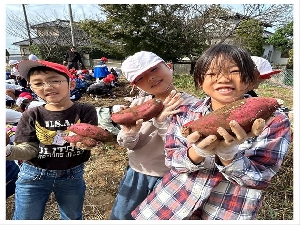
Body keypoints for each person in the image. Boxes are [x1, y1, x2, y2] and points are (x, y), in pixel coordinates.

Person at [131, 44, 291, 220]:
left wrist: (229, 156)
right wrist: (197, 152)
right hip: (172, 204)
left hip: (229, 211)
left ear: (251, 79)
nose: (223, 79)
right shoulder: (185, 113)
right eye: (212, 73)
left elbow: (260, 178)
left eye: (235, 71)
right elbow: (172, 162)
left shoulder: (273, 121)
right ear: (200, 80)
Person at [109, 51, 199, 220]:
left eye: (154, 69)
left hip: (172, 178)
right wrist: (130, 134)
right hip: (137, 174)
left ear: (169, 67)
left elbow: (188, 147)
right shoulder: (139, 104)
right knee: (123, 217)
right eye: (140, 78)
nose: (150, 78)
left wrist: (163, 123)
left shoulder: (194, 106)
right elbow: (131, 144)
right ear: (136, 86)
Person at [6, 59, 98, 220]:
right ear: (32, 88)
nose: (47, 86)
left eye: (54, 80)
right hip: (34, 175)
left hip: (72, 175)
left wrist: (88, 142)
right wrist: (8, 151)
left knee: (72, 217)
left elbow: (89, 141)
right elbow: (29, 150)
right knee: (25, 218)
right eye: (38, 83)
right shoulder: (31, 114)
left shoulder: (85, 110)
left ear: (71, 84)